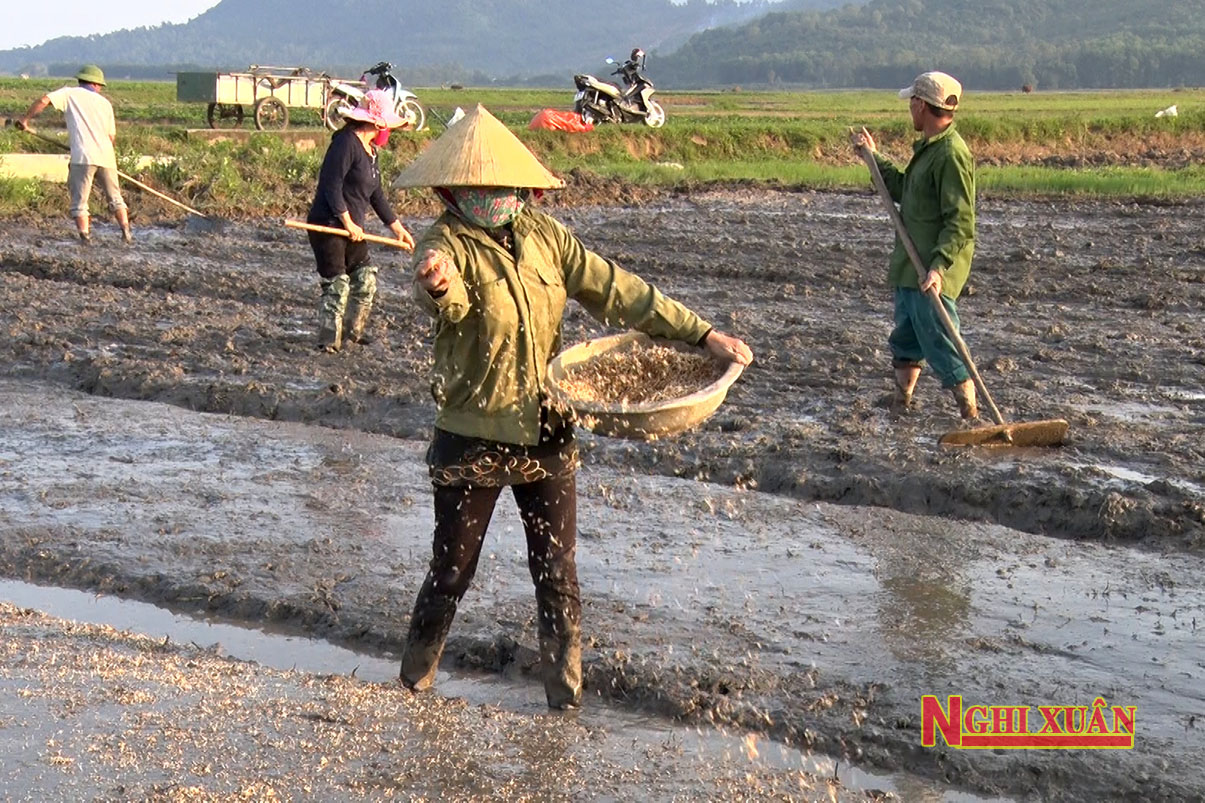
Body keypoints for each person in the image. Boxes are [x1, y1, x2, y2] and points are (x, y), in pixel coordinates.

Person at [391, 105, 754, 709]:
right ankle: (412, 682)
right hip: (474, 434)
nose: (499, 196)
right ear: (455, 190)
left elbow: (618, 288)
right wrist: (437, 284)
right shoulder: (443, 243)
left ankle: (566, 700)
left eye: (506, 186)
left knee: (558, 574)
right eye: (484, 187)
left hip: (548, 429)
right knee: (453, 571)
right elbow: (444, 299)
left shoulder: (544, 236)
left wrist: (702, 334)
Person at [850, 71, 979, 420]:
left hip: (932, 267)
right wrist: (873, 159)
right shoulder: (928, 150)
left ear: (921, 106)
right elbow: (907, 190)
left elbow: (961, 222)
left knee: (938, 336)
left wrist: (938, 267)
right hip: (911, 262)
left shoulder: (952, 154)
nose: (910, 109)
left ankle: (970, 412)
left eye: (912, 103)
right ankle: (901, 400)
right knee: (907, 334)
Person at [306, 89, 415, 352]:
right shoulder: (345, 144)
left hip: (353, 229)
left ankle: (353, 334)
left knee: (366, 280)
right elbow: (331, 186)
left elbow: (375, 194)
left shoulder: (371, 151)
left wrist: (397, 228)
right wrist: (347, 222)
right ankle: (328, 342)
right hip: (329, 225)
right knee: (338, 286)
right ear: (376, 123)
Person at [17, 65, 131, 245]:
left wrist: (25, 120)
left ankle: (85, 237)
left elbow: (44, 100)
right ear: (95, 84)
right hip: (107, 157)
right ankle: (126, 232)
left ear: (82, 80)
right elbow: (111, 137)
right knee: (116, 198)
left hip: (83, 157)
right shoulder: (105, 103)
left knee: (80, 201)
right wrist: (107, 157)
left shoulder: (69, 93)